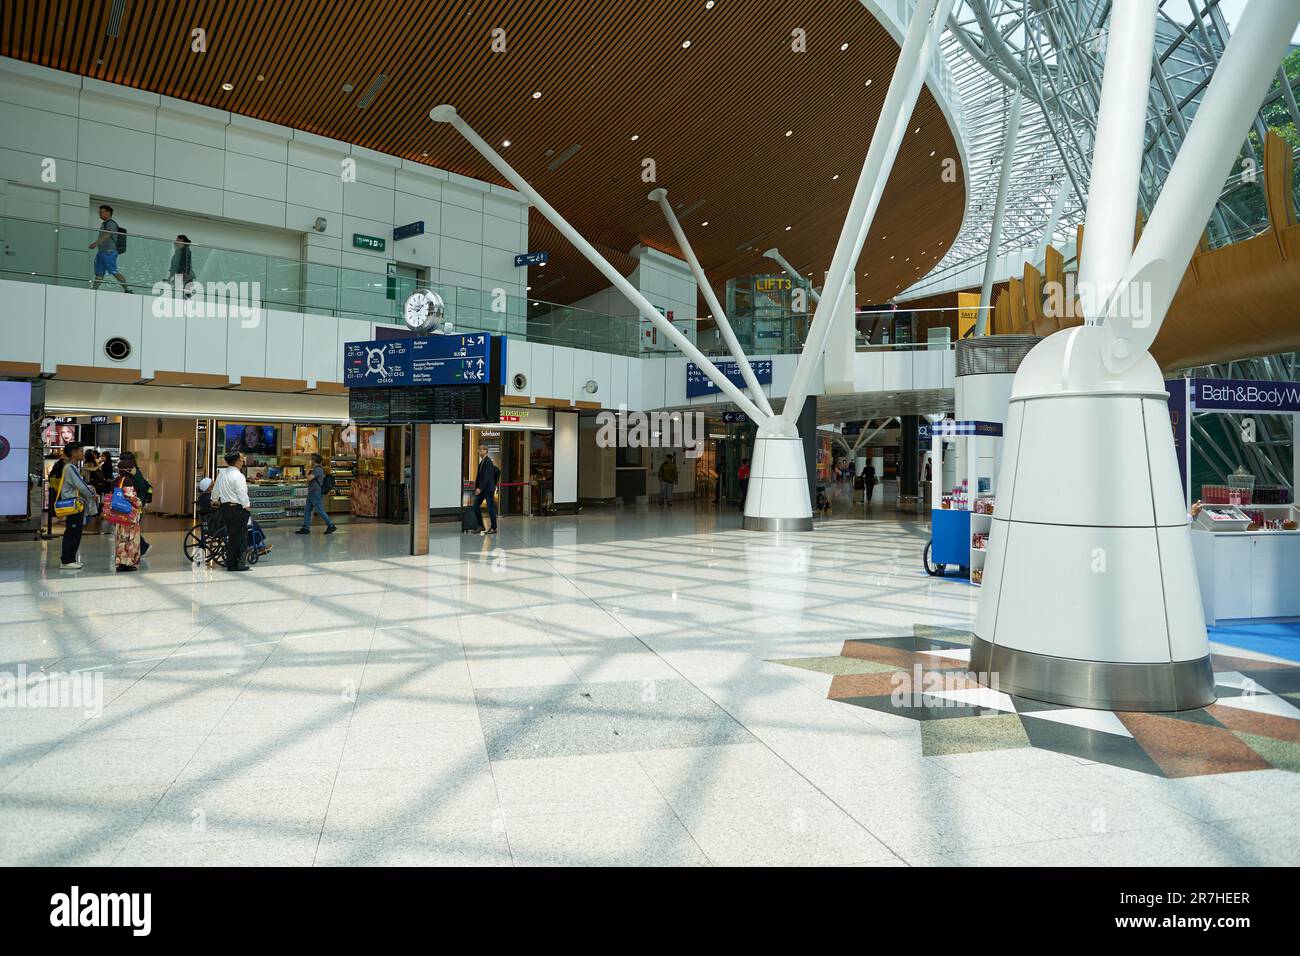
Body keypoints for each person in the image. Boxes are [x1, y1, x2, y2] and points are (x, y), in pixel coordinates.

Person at [56, 441, 99, 570]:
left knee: (74, 531)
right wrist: (92, 493)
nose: (83, 453)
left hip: (76, 504)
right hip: (74, 505)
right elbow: (81, 486)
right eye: (80, 451)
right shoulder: (70, 468)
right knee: (73, 532)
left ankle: (70, 559)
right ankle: (67, 560)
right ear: (74, 453)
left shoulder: (71, 467)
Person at [213, 450, 252, 571]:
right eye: (241, 458)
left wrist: (214, 499)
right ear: (236, 461)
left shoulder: (222, 474)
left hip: (225, 509)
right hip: (238, 509)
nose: (243, 460)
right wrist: (247, 505)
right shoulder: (239, 476)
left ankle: (230, 562)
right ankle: (237, 564)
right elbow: (242, 493)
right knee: (240, 536)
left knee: (232, 536)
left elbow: (216, 489)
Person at [110, 455, 143, 572]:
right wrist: (140, 503)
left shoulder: (116, 481)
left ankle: (120, 562)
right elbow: (130, 497)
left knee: (120, 539)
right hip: (128, 516)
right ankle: (127, 563)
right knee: (130, 539)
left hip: (118, 515)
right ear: (129, 469)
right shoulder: (127, 480)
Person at [89, 204, 130, 292]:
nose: (100, 214)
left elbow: (108, 234)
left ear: (108, 212)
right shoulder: (104, 223)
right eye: (99, 212)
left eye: (102, 212)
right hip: (101, 252)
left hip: (108, 252)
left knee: (114, 272)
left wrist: (96, 243)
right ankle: (93, 291)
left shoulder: (110, 223)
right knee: (99, 273)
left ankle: (127, 289)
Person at [296, 453, 336, 535]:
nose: (310, 461)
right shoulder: (316, 469)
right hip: (312, 493)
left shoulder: (318, 469)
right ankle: (305, 528)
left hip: (315, 493)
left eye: (311, 459)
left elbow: (309, 479)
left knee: (320, 510)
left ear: (314, 461)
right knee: (307, 510)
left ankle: (331, 525)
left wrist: (307, 473)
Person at [474, 444, 499, 535]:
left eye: (481, 449)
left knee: (490, 508)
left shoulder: (488, 461)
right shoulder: (482, 462)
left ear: (486, 451)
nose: (479, 451)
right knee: (475, 506)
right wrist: (477, 487)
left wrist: (480, 488)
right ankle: (481, 526)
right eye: (479, 449)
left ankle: (493, 528)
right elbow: (480, 477)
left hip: (487, 489)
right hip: (483, 489)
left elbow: (487, 477)